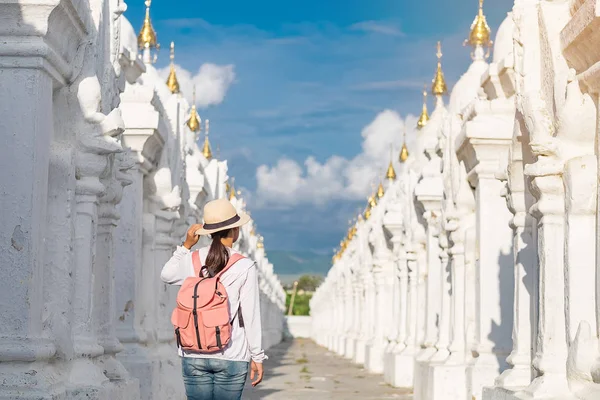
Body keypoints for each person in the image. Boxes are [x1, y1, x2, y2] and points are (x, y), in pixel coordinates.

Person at [161, 198, 266, 400]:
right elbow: (250, 316)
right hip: (231, 353)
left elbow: (166, 274)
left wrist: (185, 246)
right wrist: (257, 356)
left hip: (193, 352)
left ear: (208, 232)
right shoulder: (244, 266)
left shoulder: (192, 259)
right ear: (235, 231)